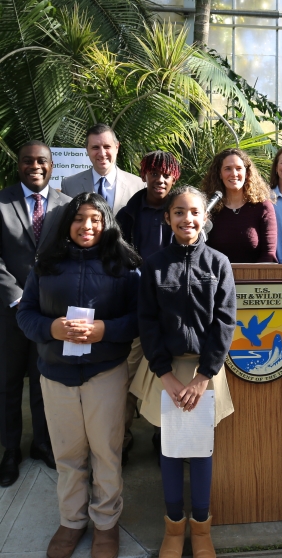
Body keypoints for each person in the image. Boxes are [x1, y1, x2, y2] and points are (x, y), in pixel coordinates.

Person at [17, 193, 141, 558]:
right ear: (67, 223)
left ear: (106, 225)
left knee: (106, 451)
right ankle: (71, 520)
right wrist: (52, 327)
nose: (87, 227)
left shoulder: (125, 267)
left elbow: (139, 319)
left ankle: (105, 523)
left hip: (105, 373)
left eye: (95, 220)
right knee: (68, 454)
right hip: (56, 375)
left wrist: (105, 330)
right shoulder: (45, 265)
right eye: (79, 219)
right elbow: (25, 314)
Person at [138, 185, 236, 558]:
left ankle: (201, 527)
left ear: (205, 216)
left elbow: (225, 322)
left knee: (200, 451)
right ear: (168, 218)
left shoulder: (219, 263)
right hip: (166, 372)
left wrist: (202, 376)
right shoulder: (153, 264)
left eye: (194, 212)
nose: (187, 218)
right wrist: (165, 375)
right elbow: (146, 322)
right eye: (178, 212)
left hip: (205, 373)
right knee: (171, 449)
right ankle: (173, 528)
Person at [0, 141, 70, 488]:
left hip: (48, 314)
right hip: (9, 314)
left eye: (41, 161)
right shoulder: (1, 202)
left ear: (52, 165)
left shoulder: (66, 206)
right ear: (19, 165)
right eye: (28, 161)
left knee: (44, 382)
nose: (35, 166)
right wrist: (15, 298)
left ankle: (42, 443)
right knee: (9, 383)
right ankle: (10, 450)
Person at [116, 151, 181, 462]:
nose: (161, 178)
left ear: (175, 178)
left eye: (167, 173)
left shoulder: (183, 210)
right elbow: (115, 262)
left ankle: (163, 439)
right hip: (135, 310)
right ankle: (123, 440)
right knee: (125, 378)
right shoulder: (126, 214)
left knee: (167, 376)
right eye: (154, 172)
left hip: (172, 312)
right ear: (143, 175)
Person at [202, 148, 277, 263]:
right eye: (228, 169)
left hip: (253, 279)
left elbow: (269, 254)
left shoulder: (263, 207)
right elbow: (201, 251)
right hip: (216, 278)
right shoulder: (208, 208)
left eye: (239, 169)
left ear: (247, 173)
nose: (234, 174)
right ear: (220, 174)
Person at [61, 123, 144, 215]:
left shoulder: (138, 186)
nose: (102, 153)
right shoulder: (69, 185)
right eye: (95, 147)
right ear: (87, 150)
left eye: (107, 147)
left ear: (117, 148)